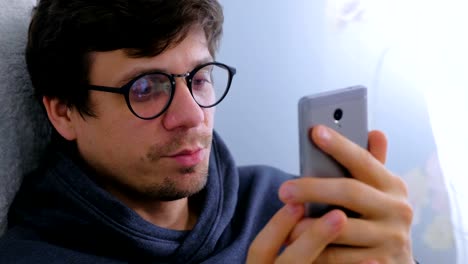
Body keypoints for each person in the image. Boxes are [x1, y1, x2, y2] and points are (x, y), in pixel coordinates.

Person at [0, 0, 416, 263]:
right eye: (145, 88)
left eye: (199, 79)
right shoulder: (32, 254)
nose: (192, 116)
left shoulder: (290, 204)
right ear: (64, 112)